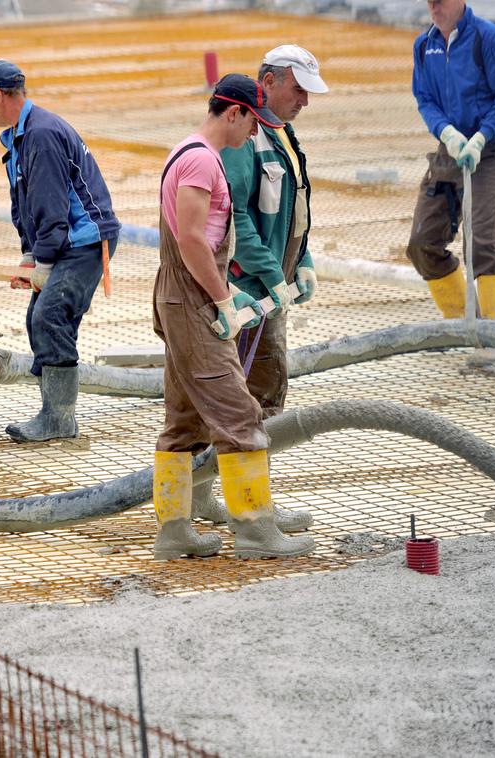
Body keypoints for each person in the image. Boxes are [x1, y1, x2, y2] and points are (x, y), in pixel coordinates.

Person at [152, 75, 314, 561]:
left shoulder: (187, 151)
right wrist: (224, 298)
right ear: (235, 112)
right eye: (252, 122)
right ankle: (255, 531)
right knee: (240, 416)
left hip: (182, 299)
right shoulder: (203, 159)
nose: (253, 134)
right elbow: (194, 240)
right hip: (194, 302)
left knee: (183, 421)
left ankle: (174, 532)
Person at [196, 44, 329, 533]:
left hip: (273, 291)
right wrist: (274, 277)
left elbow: (293, 213)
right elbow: (238, 222)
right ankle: (252, 509)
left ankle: (213, 498)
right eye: (298, 90)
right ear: (268, 83)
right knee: (255, 403)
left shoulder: (284, 135)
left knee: (241, 401)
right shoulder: (245, 142)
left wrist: (304, 262)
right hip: (249, 295)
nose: (305, 102)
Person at [0, 59, 121, 443]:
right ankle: (53, 413)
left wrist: (45, 261)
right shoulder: (22, 135)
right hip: (65, 240)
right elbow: (25, 203)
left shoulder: (41, 135)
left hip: (84, 239)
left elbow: (51, 207)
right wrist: (29, 256)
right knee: (42, 316)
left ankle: (59, 420)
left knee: (50, 315)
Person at [407, 0, 495, 364]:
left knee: (483, 243)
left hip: (491, 148)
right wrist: (447, 132)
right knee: (422, 244)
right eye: (430, 2)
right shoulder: (425, 45)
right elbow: (425, 98)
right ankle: (463, 325)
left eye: (439, 1)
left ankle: (492, 338)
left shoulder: (488, 38)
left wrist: (482, 135)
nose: (433, 7)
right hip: (452, 147)